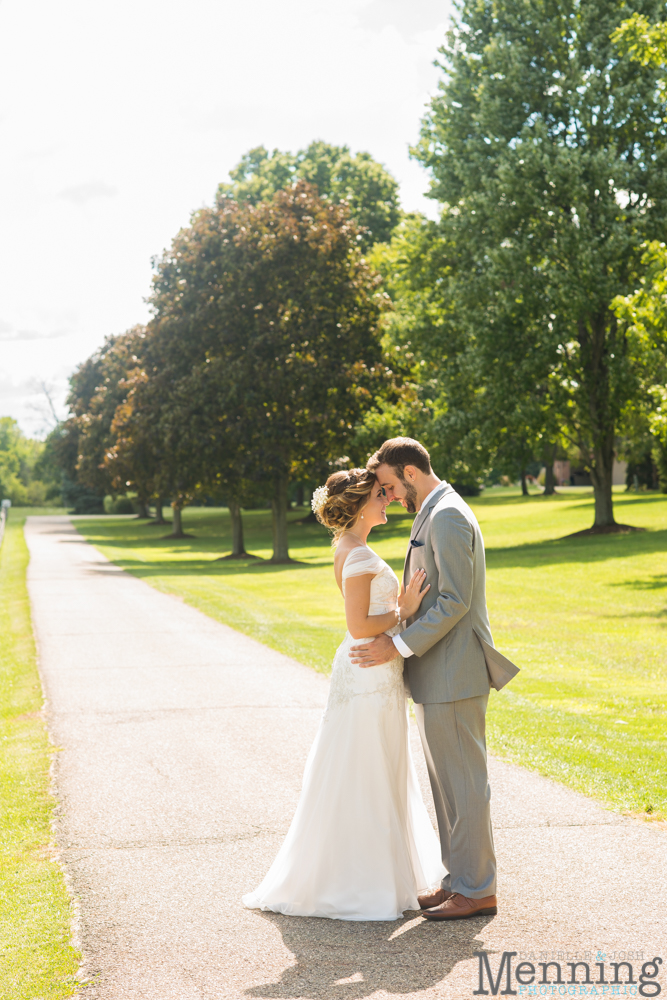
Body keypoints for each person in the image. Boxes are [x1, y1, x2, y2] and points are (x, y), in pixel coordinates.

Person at [243, 468, 445, 921]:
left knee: (378, 763)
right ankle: (357, 882)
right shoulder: (355, 556)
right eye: (380, 495)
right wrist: (404, 610)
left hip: (376, 670)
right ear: (357, 506)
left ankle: (384, 874)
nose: (388, 499)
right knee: (363, 765)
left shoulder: (352, 548)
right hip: (367, 667)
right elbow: (358, 626)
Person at [351, 437, 516, 921]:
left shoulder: (446, 514)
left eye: (388, 485)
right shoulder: (434, 509)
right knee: (447, 786)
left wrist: (397, 644)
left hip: (454, 672)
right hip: (438, 673)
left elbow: (455, 601)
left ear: (409, 470)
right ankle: (459, 880)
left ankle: (478, 890)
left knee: (464, 785)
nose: (389, 496)